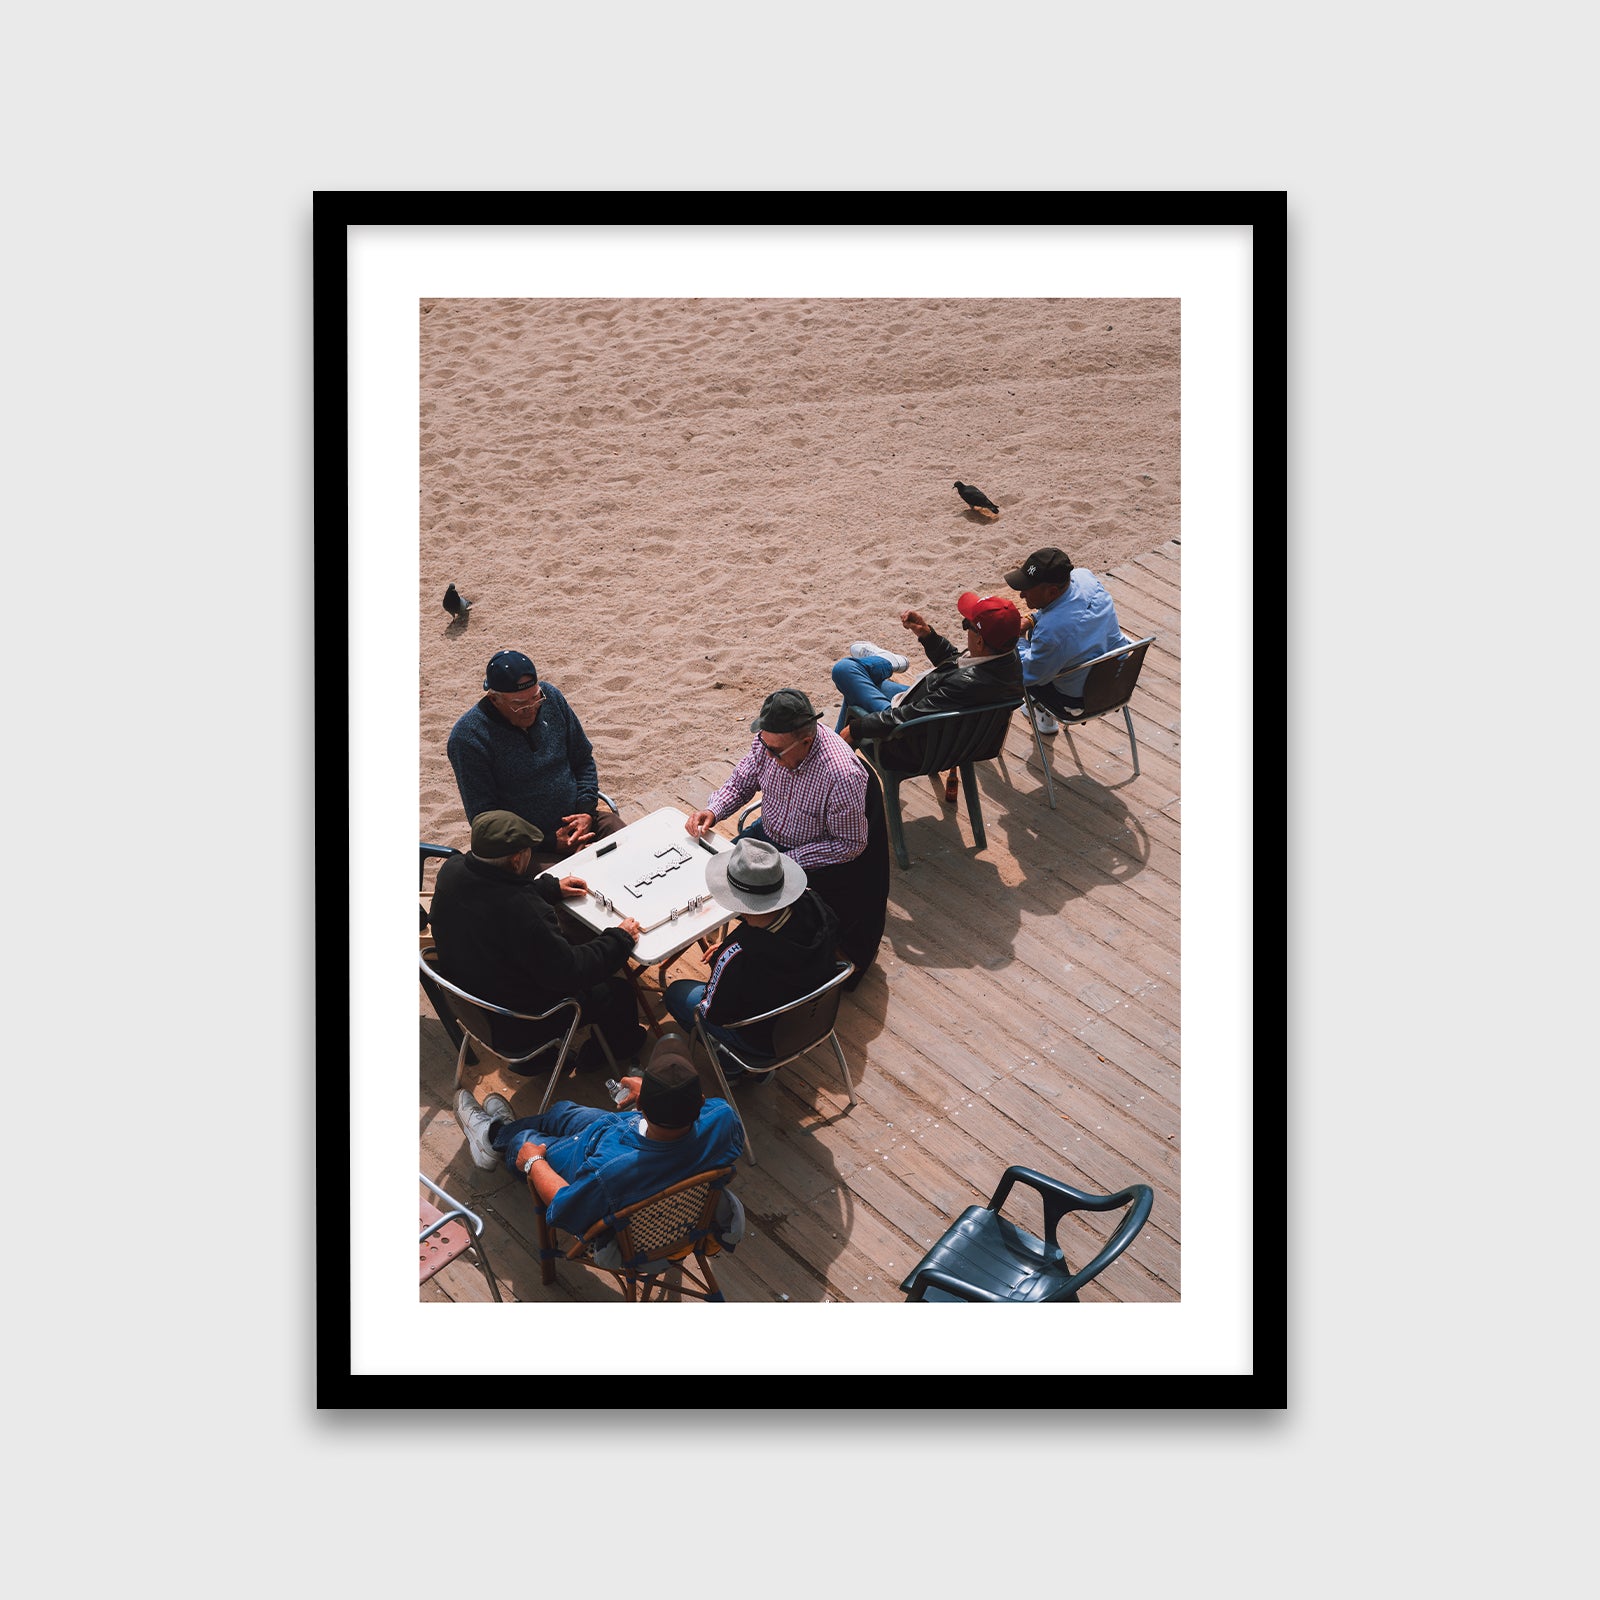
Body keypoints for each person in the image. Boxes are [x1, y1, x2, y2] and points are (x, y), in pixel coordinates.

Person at [453, 1035, 746, 1254]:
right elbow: (705, 1113)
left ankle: (492, 1139)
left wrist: (533, 1162)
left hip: (591, 1158)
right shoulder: (723, 1118)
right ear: (701, 1103)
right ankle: (500, 1133)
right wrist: (661, 1094)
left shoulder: (609, 1172)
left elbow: (564, 1208)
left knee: (524, 1142)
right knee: (563, 1112)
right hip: (621, 1135)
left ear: (641, 1105)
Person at [685, 688, 885, 986]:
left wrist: (785, 863)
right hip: (767, 836)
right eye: (763, 744)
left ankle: (738, 957)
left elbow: (851, 844)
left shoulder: (843, 775)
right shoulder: (770, 742)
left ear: (805, 741)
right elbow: (743, 779)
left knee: (763, 917)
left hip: (812, 859)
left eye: (775, 751)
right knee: (706, 874)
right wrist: (714, 810)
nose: (765, 753)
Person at [428, 809, 649, 1071]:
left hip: (469, 1001)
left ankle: (539, 1060)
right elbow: (573, 972)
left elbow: (492, 893)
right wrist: (619, 938)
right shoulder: (526, 913)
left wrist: (549, 888)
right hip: (520, 1022)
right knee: (617, 992)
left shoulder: (451, 871)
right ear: (516, 860)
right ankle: (613, 1050)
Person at [663, 836, 841, 1081]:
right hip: (814, 1018)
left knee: (677, 994)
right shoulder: (819, 907)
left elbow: (712, 1013)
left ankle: (733, 1065)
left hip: (763, 1038)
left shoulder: (738, 954)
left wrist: (722, 962)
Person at [831, 592, 1024, 799]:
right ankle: (832, 754)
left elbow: (907, 718)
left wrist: (856, 728)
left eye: (966, 624)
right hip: (952, 736)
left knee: (845, 670)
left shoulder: (964, 686)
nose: (965, 627)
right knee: (860, 686)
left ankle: (885, 662)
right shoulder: (1006, 660)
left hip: (908, 742)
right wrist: (927, 635)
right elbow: (957, 664)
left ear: (979, 641)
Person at [447, 649, 624, 862]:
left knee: (631, 844)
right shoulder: (468, 738)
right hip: (526, 847)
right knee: (572, 884)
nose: (531, 709)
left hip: (580, 820)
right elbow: (485, 819)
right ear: (493, 699)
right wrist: (548, 842)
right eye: (519, 705)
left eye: (535, 698)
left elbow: (583, 759)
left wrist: (585, 811)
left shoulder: (551, 698)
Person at [1004, 547, 1126, 735]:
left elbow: (1026, 675)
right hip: (1118, 679)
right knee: (1051, 644)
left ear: (1052, 591)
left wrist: (1016, 639)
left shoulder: (1051, 633)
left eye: (1028, 589)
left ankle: (1044, 712)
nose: (1021, 594)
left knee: (1008, 663)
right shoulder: (1084, 578)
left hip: (1078, 699)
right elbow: (1063, 611)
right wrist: (1030, 620)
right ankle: (1041, 712)